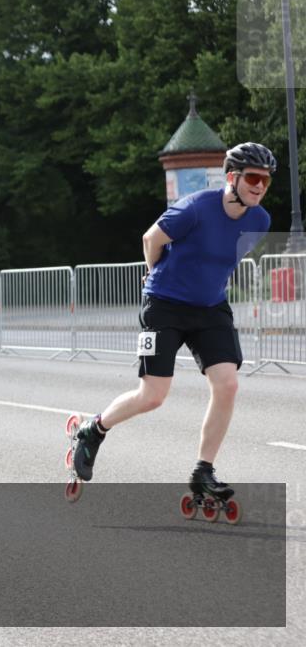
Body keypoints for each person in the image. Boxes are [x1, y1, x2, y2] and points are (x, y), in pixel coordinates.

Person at [72, 142, 275, 502]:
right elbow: (151, 238)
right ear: (232, 177)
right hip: (164, 304)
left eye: (266, 181)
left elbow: (223, 259)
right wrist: (153, 276)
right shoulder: (196, 207)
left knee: (227, 385)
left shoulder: (260, 220)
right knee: (153, 396)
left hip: (210, 308)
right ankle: (94, 429)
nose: (260, 186)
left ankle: (203, 471)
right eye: (254, 178)